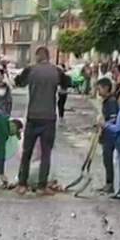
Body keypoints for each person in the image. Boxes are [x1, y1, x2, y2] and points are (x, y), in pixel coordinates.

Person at [13, 46, 71, 196]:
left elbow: (18, 82)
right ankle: (41, 186)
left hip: (33, 117)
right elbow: (67, 82)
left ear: (37, 56)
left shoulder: (30, 70)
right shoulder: (56, 71)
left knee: (27, 153)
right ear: (48, 56)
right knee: (46, 154)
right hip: (49, 118)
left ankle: (22, 184)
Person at [96, 78, 119, 194]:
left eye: (99, 88)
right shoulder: (106, 101)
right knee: (106, 159)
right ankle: (108, 183)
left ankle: (110, 184)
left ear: (106, 88)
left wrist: (103, 124)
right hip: (106, 134)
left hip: (111, 135)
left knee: (108, 159)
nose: (98, 91)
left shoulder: (111, 102)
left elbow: (114, 119)